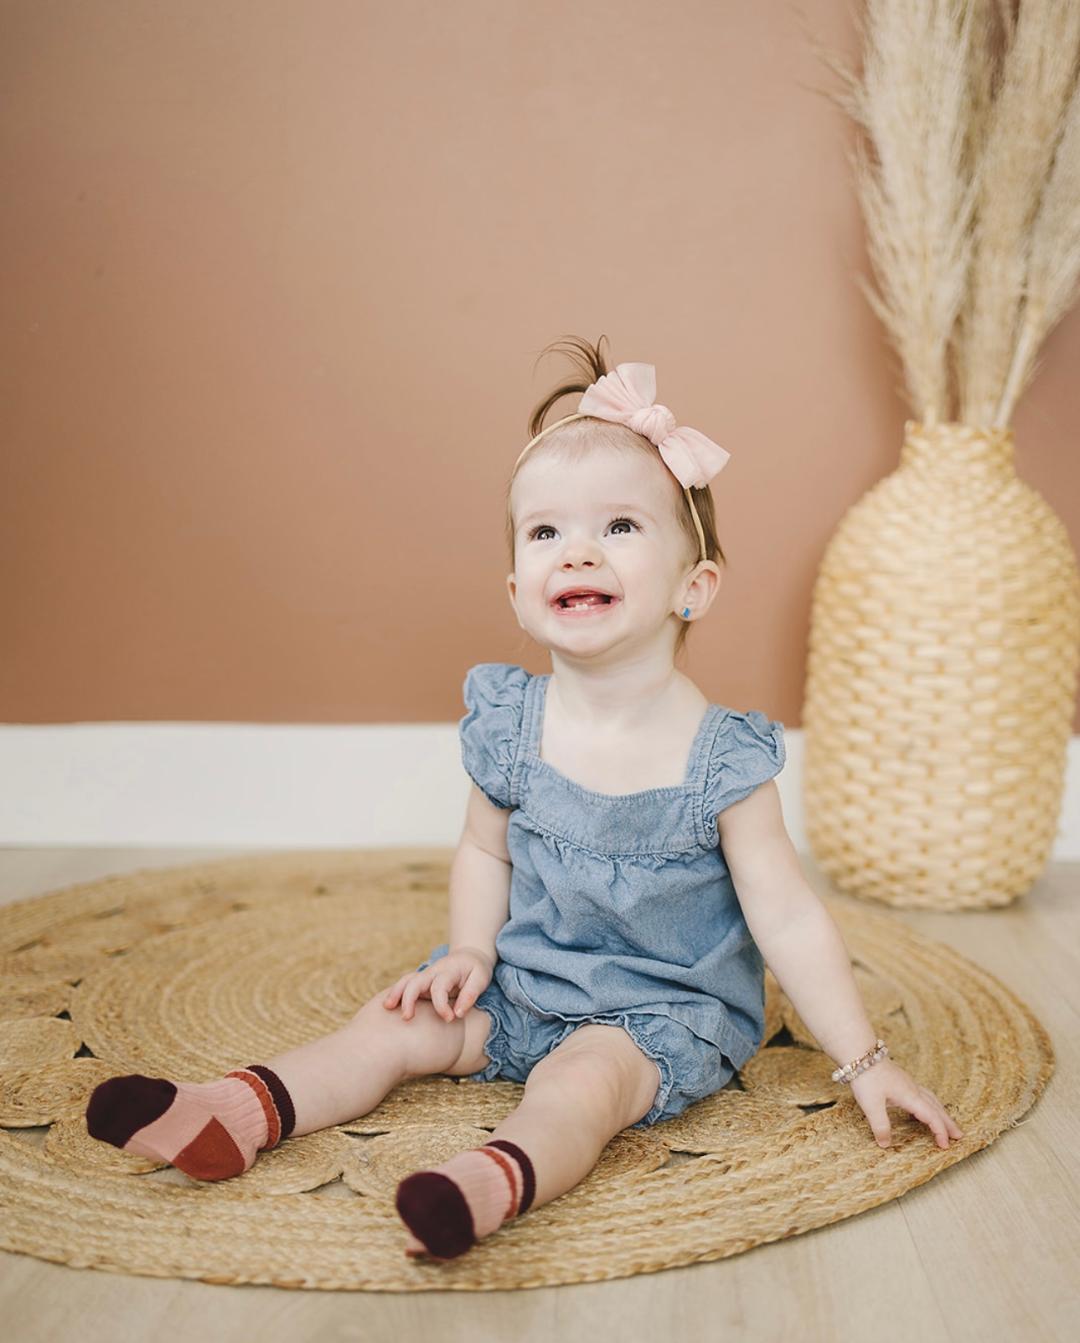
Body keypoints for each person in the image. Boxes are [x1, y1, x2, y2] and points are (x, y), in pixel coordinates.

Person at [85, 334, 964, 1262]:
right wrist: (469, 948)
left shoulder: (722, 761)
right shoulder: (511, 724)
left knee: (582, 1081)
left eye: (620, 527)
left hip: (658, 1011)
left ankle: (488, 1179)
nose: (577, 550)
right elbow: (484, 850)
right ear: (517, 589)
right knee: (393, 1025)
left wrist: (864, 1059)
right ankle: (232, 1111)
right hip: (522, 977)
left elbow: (786, 915)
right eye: (547, 532)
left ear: (694, 586)